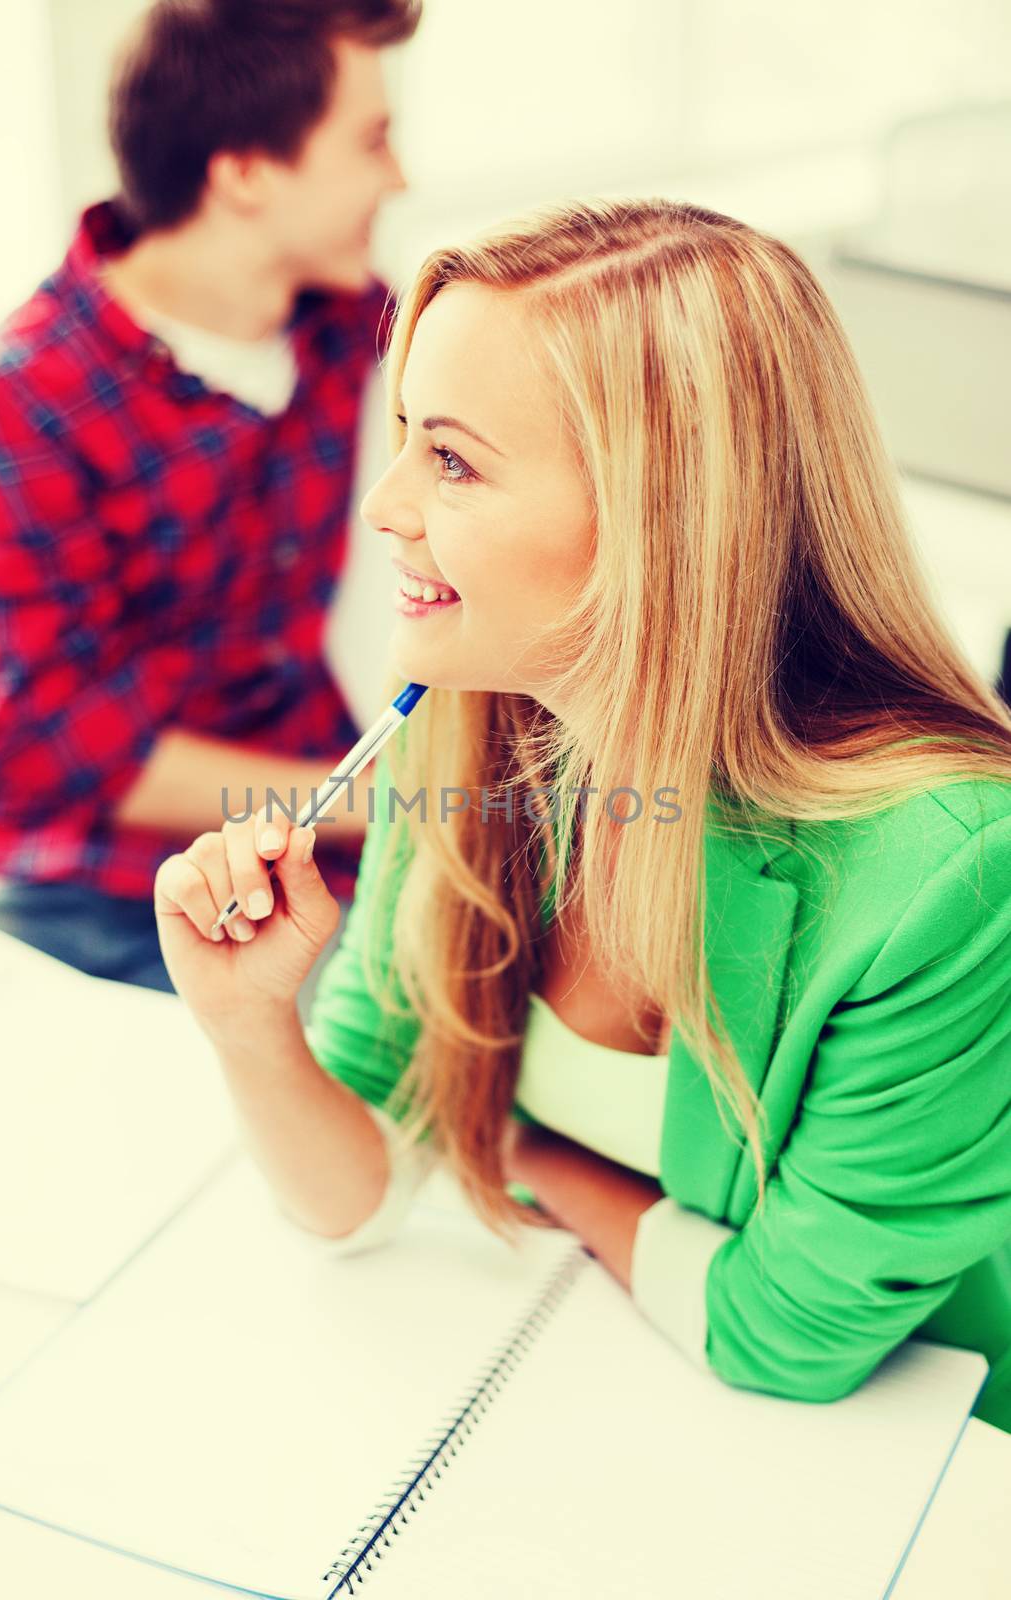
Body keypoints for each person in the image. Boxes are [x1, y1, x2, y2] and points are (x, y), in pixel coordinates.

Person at [151, 197, 1011, 1435]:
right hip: (620, 1391)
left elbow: (789, 1336)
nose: (383, 505)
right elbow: (352, 1200)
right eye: (402, 439)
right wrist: (246, 1025)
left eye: (448, 458)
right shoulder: (466, 723)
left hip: (908, 1456)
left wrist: (530, 1155)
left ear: (659, 519)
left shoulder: (950, 874)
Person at [0, 0, 421, 1005]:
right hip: (50, 861)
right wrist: (406, 800)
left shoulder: (360, 332)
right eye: (371, 141)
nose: (397, 180)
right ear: (245, 174)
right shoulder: (21, 402)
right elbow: (89, 749)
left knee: (411, 1037)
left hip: (287, 851)